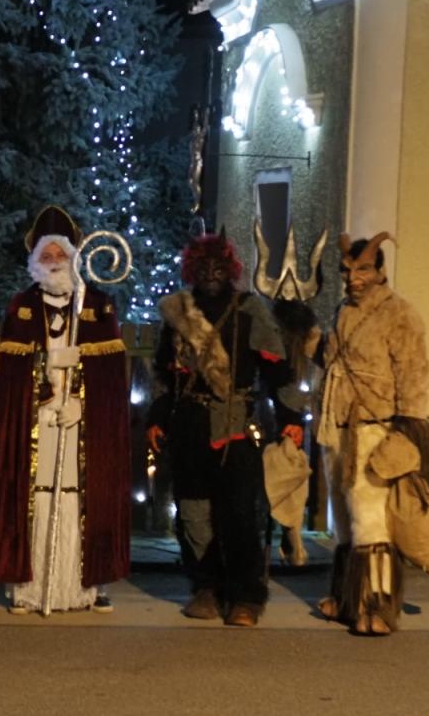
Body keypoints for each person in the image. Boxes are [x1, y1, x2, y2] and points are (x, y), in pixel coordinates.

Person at [146, 232, 304, 627]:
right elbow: (164, 375)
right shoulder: (179, 312)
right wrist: (157, 418)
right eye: (203, 267)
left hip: (235, 426)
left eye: (218, 267)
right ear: (192, 269)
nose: (211, 274)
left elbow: (278, 369)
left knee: (239, 513)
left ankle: (245, 596)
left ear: (230, 269)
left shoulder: (249, 310)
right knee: (193, 512)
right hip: (188, 426)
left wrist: (290, 419)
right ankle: (206, 586)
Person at [0, 205, 131, 614]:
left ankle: (89, 585)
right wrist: (45, 369)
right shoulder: (21, 306)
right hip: (39, 420)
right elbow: (11, 371)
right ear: (35, 260)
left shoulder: (97, 305)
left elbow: (111, 375)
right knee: (37, 493)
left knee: (84, 495)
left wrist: (82, 400)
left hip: (81, 423)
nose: (53, 262)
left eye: (60, 254)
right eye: (45, 255)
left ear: (73, 258)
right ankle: (29, 588)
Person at [313, 232, 429, 637]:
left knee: (371, 521)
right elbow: (329, 359)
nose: (353, 278)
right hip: (339, 429)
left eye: (362, 269)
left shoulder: (399, 314)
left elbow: (414, 375)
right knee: (345, 523)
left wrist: (408, 430)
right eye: (347, 270)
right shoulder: (343, 311)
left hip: (375, 429)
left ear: (379, 271)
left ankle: (377, 604)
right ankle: (347, 597)